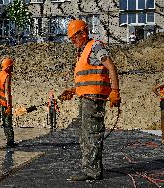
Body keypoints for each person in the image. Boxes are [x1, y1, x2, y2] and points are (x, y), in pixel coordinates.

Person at [59, 19, 121, 181]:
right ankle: (91, 168)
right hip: (87, 98)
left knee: (91, 134)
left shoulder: (95, 46)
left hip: (94, 99)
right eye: (70, 39)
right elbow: (88, 78)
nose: (72, 41)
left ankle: (92, 171)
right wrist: (73, 90)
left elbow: (111, 67)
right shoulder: (83, 51)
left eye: (74, 37)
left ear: (83, 33)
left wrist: (115, 91)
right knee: (86, 134)